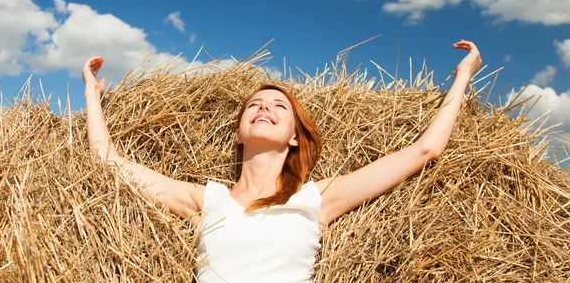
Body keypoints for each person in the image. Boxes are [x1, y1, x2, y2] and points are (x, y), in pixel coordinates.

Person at [82, 40, 481, 283]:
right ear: (238, 133)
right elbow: (107, 160)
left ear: (293, 137)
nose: (263, 108)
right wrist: (91, 95)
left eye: (278, 106)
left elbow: (424, 151)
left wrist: (463, 77)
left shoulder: (317, 198)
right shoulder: (206, 200)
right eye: (253, 105)